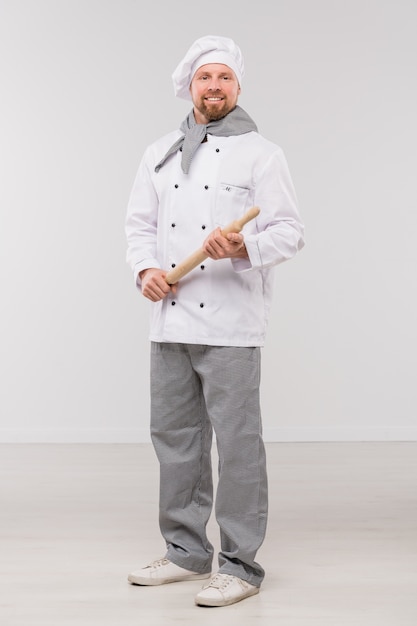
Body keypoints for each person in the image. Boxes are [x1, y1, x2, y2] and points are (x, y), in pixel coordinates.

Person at [125, 34, 304, 608]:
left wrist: (241, 246)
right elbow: (139, 228)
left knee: (238, 444)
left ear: (238, 87)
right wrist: (146, 270)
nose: (215, 87)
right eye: (207, 78)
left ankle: (241, 565)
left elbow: (289, 231)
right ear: (191, 86)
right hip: (170, 323)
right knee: (176, 441)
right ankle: (185, 552)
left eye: (225, 78)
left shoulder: (262, 153)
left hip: (232, 325)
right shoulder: (159, 152)